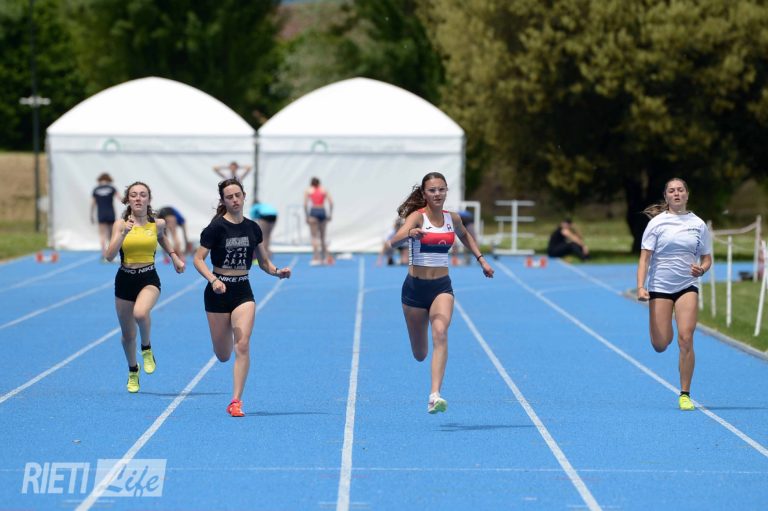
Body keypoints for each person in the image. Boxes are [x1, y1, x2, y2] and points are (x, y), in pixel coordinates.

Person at [388, 172, 494, 414]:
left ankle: (434, 395)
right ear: (424, 194)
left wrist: (481, 260)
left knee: (440, 332)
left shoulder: (452, 218)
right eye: (432, 190)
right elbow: (394, 241)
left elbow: (465, 235)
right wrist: (409, 234)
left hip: (441, 288)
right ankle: (423, 355)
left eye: (441, 189)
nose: (437, 194)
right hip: (415, 290)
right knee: (420, 353)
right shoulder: (417, 217)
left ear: (446, 191)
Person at [193, 178, 291, 417]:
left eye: (238, 195)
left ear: (244, 196)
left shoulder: (253, 228)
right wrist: (213, 280)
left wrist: (277, 272)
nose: (235, 200)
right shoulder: (216, 228)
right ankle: (224, 339)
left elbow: (264, 262)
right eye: (229, 197)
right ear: (223, 201)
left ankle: (236, 401)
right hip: (217, 292)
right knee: (223, 355)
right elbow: (197, 259)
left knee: (243, 344)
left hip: (242, 291)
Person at [636, 177, 712, 411]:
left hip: (687, 285)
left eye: (680, 190)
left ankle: (685, 394)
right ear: (666, 196)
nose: (676, 193)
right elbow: (645, 258)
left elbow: (707, 258)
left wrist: (702, 269)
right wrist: (641, 286)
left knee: (686, 338)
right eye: (672, 191)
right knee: (660, 344)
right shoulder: (656, 224)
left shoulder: (698, 224)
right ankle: (664, 322)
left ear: (687, 194)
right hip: (660, 287)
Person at [104, 182, 186, 393]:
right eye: (134, 195)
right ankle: (133, 370)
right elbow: (109, 256)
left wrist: (174, 257)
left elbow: (162, 238)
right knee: (128, 335)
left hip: (148, 277)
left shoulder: (157, 223)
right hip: (125, 279)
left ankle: (146, 348)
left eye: (142, 194)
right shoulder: (120, 225)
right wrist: (123, 233)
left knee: (140, 313)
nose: (138, 198)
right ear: (128, 200)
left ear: (149, 199)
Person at [91, 173, 122, 261]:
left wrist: (91, 215)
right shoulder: (111, 188)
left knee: (102, 235)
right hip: (110, 213)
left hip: (101, 214)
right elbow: (120, 198)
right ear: (109, 180)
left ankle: (104, 253)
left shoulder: (96, 189)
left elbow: (93, 204)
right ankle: (112, 253)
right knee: (112, 234)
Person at [304, 177, 334, 266]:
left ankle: (316, 258)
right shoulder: (324, 190)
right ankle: (325, 258)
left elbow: (305, 204)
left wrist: (307, 216)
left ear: (311, 184)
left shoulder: (308, 190)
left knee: (314, 237)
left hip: (314, 211)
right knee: (322, 237)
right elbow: (331, 203)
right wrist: (330, 214)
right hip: (322, 211)